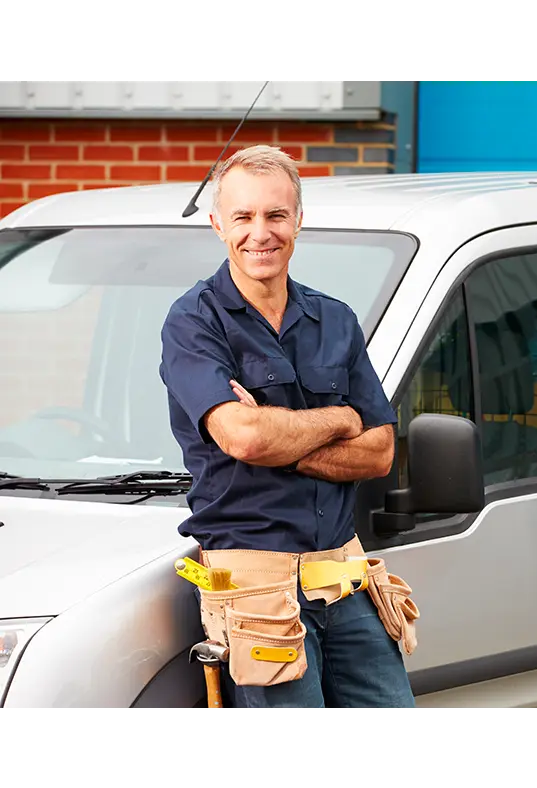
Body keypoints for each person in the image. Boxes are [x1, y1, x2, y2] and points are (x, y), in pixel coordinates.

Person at [159, 144, 416, 711]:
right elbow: (243, 438)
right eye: (244, 217)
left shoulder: (335, 319)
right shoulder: (193, 321)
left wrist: (281, 438)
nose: (261, 233)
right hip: (253, 587)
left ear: (298, 220)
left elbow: (376, 453)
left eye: (276, 215)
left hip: (344, 576)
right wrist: (338, 421)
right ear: (217, 224)